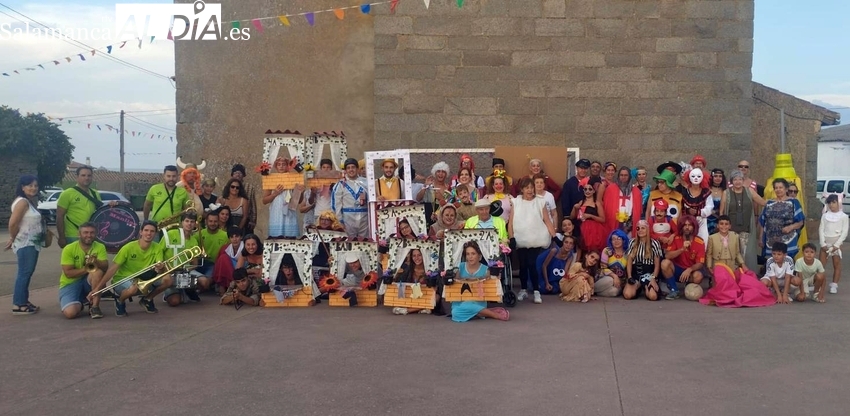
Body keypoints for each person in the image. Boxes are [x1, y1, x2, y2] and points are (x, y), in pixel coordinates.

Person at [101, 221, 170, 316]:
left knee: (168, 279)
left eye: (152, 231)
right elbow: (112, 269)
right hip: (123, 279)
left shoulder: (157, 248)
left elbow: (160, 269)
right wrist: (98, 288)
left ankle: (147, 299)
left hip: (143, 279)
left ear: (155, 233)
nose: (149, 233)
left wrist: (160, 268)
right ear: (141, 232)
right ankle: (120, 301)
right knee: (133, 289)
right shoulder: (128, 247)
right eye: (146, 230)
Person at [509, 177, 557, 304]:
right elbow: (511, 222)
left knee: (532, 263)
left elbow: (547, 220)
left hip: (535, 238)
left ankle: (536, 291)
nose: (529, 190)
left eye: (531, 187)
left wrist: (554, 236)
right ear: (522, 189)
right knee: (523, 265)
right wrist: (511, 237)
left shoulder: (540, 202)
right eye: (527, 188)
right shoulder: (516, 202)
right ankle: (523, 289)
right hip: (520, 238)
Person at [7, 174, 47, 315]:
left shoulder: (28, 201)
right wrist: (13, 237)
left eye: (35, 185)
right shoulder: (23, 202)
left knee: (26, 272)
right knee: (24, 273)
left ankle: (23, 300)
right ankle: (19, 304)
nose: (33, 188)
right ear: (22, 187)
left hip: (31, 243)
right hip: (26, 243)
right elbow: (13, 223)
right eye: (30, 185)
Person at [450, 241, 510, 322]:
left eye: (473, 254)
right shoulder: (460, 266)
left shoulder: (486, 269)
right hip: (461, 300)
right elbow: (456, 284)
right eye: (468, 254)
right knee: (455, 312)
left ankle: (495, 315)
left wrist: (495, 277)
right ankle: (483, 312)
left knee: (466, 307)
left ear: (479, 256)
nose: (470, 257)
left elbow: (490, 283)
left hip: (477, 300)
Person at [59, 222, 108, 319]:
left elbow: (105, 267)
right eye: (85, 232)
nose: (89, 235)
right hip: (70, 283)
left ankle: (94, 307)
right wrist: (88, 267)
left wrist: (96, 262)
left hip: (88, 281)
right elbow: (68, 273)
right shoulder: (69, 249)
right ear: (79, 234)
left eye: (92, 233)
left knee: (98, 272)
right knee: (70, 313)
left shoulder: (100, 246)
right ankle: (82, 302)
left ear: (96, 234)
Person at [160, 213, 209, 306]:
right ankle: (168, 292)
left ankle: (188, 289)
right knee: (175, 302)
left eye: (192, 222)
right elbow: (159, 252)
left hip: (184, 271)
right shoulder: (171, 234)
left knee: (205, 282)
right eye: (186, 221)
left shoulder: (194, 241)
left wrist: (186, 270)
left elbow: (194, 263)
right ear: (181, 222)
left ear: (195, 224)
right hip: (169, 271)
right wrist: (164, 269)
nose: (189, 224)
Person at [723, 170, 762, 270]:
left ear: (743, 180)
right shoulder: (726, 193)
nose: (737, 181)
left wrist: (776, 201)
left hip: (746, 229)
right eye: (735, 179)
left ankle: (745, 277)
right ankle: (733, 276)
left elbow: (762, 202)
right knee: (732, 254)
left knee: (745, 255)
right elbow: (722, 212)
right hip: (730, 230)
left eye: (740, 179)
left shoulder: (749, 191)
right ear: (731, 181)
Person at [660, 215, 706, 299]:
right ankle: (674, 290)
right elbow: (667, 255)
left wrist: (690, 269)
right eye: (685, 225)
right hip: (677, 270)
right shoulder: (676, 239)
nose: (687, 227)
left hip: (690, 271)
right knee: (664, 263)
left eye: (690, 225)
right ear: (681, 227)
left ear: (694, 227)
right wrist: (682, 249)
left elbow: (700, 263)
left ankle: (688, 285)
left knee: (698, 276)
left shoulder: (700, 242)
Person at [758, 178, 805, 259]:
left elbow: (801, 222)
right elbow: (763, 222)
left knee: (787, 264)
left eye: (780, 187)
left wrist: (790, 227)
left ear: (786, 189)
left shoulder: (793, 202)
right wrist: (761, 237)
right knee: (772, 264)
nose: (778, 190)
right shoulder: (769, 203)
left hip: (788, 240)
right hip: (771, 240)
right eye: (776, 188)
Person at [56, 165, 101, 247]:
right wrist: (61, 237)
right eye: (83, 175)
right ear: (77, 177)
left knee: (90, 260)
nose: (86, 178)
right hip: (73, 235)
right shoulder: (67, 193)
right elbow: (59, 216)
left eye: (89, 175)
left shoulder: (95, 194)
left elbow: (101, 213)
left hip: (90, 236)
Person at [623, 220, 663, 301]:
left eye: (643, 228)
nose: (640, 230)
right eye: (638, 228)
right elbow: (629, 261)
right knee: (627, 295)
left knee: (653, 297)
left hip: (649, 274)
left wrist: (653, 278)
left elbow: (657, 264)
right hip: (635, 274)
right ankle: (638, 286)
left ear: (648, 230)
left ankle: (645, 287)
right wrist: (630, 277)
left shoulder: (654, 243)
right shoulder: (632, 242)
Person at [263, 157, 301, 239]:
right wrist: (275, 194)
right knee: (276, 237)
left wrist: (300, 191)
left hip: (289, 211)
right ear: (276, 167)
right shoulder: (271, 180)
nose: (281, 166)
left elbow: (299, 201)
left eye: (284, 164)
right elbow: (264, 201)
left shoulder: (293, 179)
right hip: (276, 211)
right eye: (279, 164)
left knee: (290, 238)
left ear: (288, 166)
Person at [144, 165, 190, 230]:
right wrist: (145, 221)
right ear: (164, 176)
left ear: (177, 177)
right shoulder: (154, 189)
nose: (171, 179)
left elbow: (186, 210)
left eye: (174, 176)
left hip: (175, 227)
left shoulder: (183, 192)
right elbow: (147, 206)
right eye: (168, 176)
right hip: (156, 226)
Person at [333, 158, 369, 238]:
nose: (351, 170)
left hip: (364, 218)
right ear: (345, 170)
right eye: (348, 168)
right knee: (349, 242)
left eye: (353, 167)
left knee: (365, 242)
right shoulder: (340, 184)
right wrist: (340, 221)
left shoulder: (366, 182)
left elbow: (372, 198)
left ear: (357, 169)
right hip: (348, 218)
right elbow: (336, 204)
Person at [819, 194, 848, 294]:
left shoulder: (844, 217)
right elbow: (821, 229)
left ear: (838, 203)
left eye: (834, 202)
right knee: (821, 265)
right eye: (829, 203)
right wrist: (822, 243)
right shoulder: (825, 215)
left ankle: (834, 284)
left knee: (836, 264)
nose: (831, 205)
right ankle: (818, 283)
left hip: (836, 244)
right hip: (825, 243)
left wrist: (837, 245)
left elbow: (844, 232)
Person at [571, 177, 607, 253]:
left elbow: (603, 219)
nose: (587, 191)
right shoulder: (581, 202)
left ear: (594, 191)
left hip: (594, 232)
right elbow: (572, 217)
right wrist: (575, 208)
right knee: (580, 251)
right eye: (585, 189)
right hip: (580, 230)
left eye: (590, 189)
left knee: (593, 251)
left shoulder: (597, 203)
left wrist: (590, 216)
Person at [603, 166, 641, 237]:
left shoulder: (636, 191)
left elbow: (637, 209)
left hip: (629, 222)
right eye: (621, 175)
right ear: (618, 176)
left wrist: (630, 224)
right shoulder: (611, 189)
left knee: (628, 245)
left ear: (629, 176)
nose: (623, 177)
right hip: (614, 222)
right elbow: (606, 208)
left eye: (626, 175)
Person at [390, 249, 431, 315]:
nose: (417, 258)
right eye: (414, 256)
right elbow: (400, 282)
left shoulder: (430, 269)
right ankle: (422, 308)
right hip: (412, 296)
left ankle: (408, 310)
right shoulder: (408, 269)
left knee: (436, 298)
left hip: (425, 296)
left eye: (419, 255)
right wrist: (396, 275)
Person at [301, 159, 337, 232]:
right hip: (318, 214)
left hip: (330, 214)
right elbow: (311, 201)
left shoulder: (335, 182)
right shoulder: (316, 182)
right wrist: (312, 193)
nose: (326, 169)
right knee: (318, 236)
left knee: (330, 237)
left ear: (331, 169)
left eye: (328, 167)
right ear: (321, 169)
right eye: (324, 167)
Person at [681, 168, 713, 244]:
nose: (695, 178)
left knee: (702, 242)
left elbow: (710, 208)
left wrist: (698, 212)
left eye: (698, 176)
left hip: (701, 221)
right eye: (693, 176)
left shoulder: (706, 192)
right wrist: (687, 211)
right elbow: (681, 207)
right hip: (687, 223)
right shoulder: (684, 193)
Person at [198, 211, 229, 282]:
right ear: (206, 222)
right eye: (210, 221)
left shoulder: (225, 235)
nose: (213, 224)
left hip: (214, 265)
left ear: (219, 222)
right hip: (199, 263)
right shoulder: (199, 234)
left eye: (215, 221)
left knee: (207, 282)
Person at [212, 226, 244, 294]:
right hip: (230, 271)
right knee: (223, 258)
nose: (234, 239)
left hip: (243, 269)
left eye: (237, 236)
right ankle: (222, 285)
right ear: (229, 239)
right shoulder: (225, 248)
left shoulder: (246, 247)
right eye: (232, 237)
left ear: (241, 237)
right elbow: (218, 265)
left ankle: (236, 285)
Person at [230, 164, 258, 234]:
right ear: (232, 175)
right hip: (231, 219)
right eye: (235, 173)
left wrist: (253, 220)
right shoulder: (228, 187)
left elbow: (253, 205)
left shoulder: (249, 187)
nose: (238, 175)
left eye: (240, 173)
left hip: (246, 220)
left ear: (243, 175)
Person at [600, 229, 629, 295]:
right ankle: (593, 289)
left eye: (619, 238)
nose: (616, 241)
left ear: (623, 240)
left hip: (620, 282)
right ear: (611, 241)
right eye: (613, 239)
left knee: (615, 292)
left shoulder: (627, 253)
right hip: (606, 278)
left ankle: (594, 292)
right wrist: (614, 276)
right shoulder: (607, 250)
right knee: (610, 280)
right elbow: (603, 268)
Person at [707, 169, 726, 235]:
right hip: (705, 219)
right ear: (712, 177)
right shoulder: (706, 189)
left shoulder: (725, 191)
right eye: (715, 176)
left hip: (719, 219)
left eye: (720, 176)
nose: (718, 178)